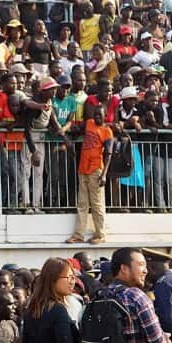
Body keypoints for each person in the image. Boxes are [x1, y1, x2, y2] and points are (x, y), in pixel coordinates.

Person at [67, 103, 114, 244]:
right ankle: (78, 235)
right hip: (83, 169)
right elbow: (77, 129)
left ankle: (101, 234)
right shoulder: (88, 123)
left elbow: (108, 154)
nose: (97, 117)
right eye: (95, 114)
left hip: (96, 169)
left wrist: (104, 174)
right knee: (82, 203)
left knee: (97, 204)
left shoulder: (107, 131)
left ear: (105, 116)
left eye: (100, 115)